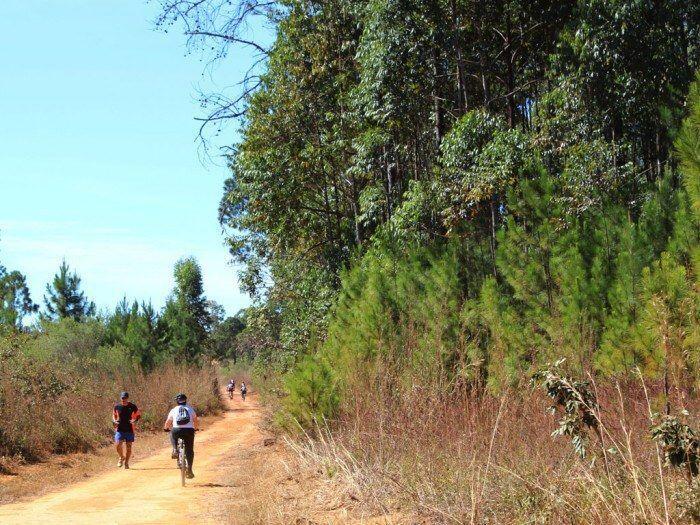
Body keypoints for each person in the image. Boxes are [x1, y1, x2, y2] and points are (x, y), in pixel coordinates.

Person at [164, 393, 199, 479]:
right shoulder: (190, 409)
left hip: (177, 430)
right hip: (189, 431)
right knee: (190, 450)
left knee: (172, 433)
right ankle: (190, 470)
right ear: (185, 400)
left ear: (177, 401)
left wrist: (166, 428)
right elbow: (195, 421)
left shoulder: (174, 410)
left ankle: (175, 449)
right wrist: (195, 428)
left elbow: (168, 422)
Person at [112, 391, 141, 469]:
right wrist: (114, 421)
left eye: (125, 398)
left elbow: (138, 415)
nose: (123, 399)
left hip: (129, 429)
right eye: (122, 398)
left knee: (129, 447)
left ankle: (127, 463)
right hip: (120, 429)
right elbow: (114, 415)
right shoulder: (117, 406)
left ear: (127, 398)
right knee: (118, 445)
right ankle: (121, 457)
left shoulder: (132, 406)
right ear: (120, 398)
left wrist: (134, 420)